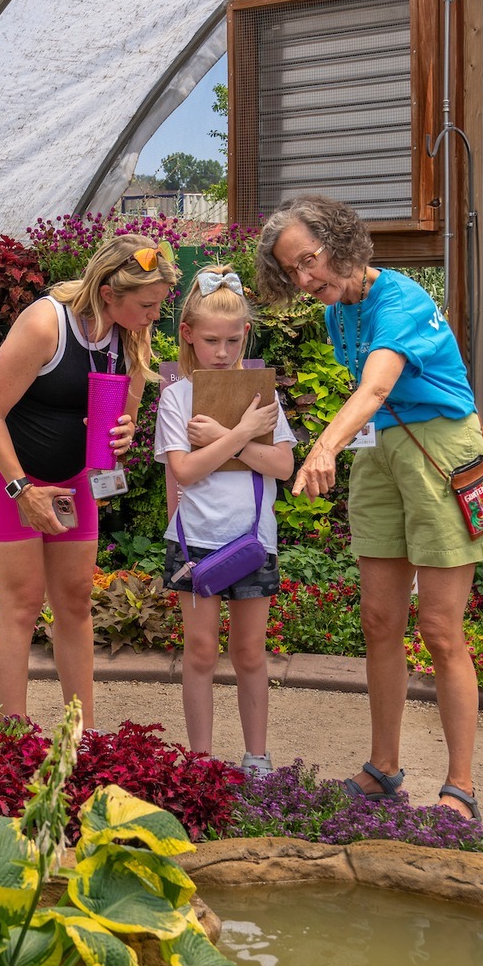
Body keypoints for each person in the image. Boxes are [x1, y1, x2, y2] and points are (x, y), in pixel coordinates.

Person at [256, 194, 483, 820]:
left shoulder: (401, 299)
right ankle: (385, 767)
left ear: (340, 244)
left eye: (308, 261)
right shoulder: (340, 311)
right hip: (380, 455)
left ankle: (461, 789)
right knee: (378, 621)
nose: (304, 279)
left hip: (440, 451)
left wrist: (323, 448)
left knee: (441, 630)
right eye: (292, 271)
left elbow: (376, 386)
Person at [0, 234, 179, 720]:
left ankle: (80, 733)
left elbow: (117, 428)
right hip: (5, 469)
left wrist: (123, 437)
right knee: (22, 602)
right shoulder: (46, 324)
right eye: (146, 305)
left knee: (76, 601)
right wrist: (23, 491)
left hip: (74, 473)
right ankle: (11, 737)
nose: (153, 316)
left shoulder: (131, 334)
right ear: (109, 293)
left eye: (158, 305)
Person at [156, 266, 295, 775]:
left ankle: (257, 757)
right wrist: (238, 434)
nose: (222, 351)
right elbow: (185, 470)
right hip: (195, 543)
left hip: (253, 541)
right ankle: (200, 761)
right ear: (188, 336)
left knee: (251, 653)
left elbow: (283, 466)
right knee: (199, 651)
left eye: (232, 340)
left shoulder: (262, 395)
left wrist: (228, 433)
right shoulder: (176, 398)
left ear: (245, 337)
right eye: (211, 340)